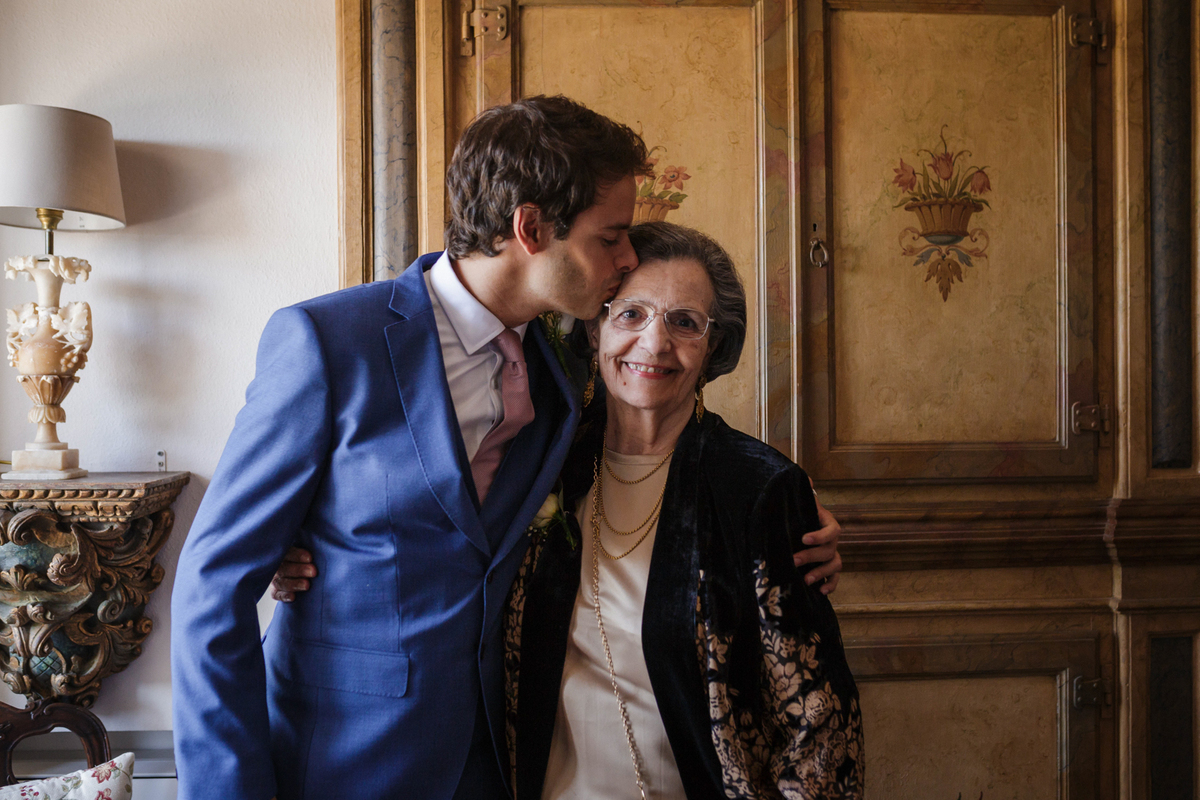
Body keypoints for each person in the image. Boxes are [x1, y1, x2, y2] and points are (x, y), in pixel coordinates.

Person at [173, 95, 844, 800]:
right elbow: (212, 593)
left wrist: (797, 525)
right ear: (530, 228)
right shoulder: (331, 343)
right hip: (340, 764)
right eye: (611, 237)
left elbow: (669, 468)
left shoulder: (564, 376)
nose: (627, 257)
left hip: (504, 767)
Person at [504, 222, 863, 799]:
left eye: (684, 323)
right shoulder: (540, 460)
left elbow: (818, 727)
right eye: (630, 314)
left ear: (713, 347)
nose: (653, 343)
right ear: (595, 329)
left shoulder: (758, 490)